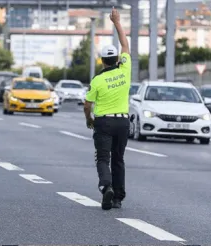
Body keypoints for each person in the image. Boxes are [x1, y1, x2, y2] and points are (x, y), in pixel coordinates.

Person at [83, 7, 131, 211]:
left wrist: (89, 119)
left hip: (103, 122)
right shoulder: (125, 70)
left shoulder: (98, 80)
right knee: (118, 159)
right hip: (123, 122)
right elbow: (125, 44)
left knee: (103, 158)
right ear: (117, 59)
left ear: (102, 61)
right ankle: (118, 197)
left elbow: (87, 105)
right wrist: (117, 22)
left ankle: (107, 186)